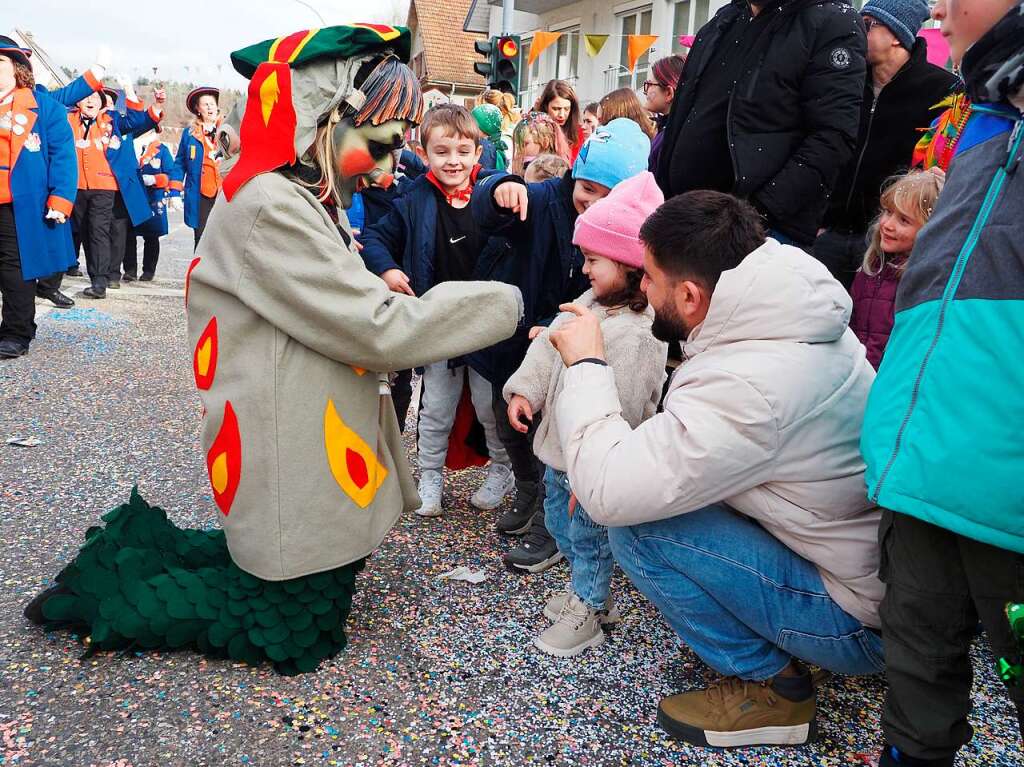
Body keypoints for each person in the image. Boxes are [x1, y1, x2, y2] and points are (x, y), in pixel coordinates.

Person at [25, 25, 523, 674]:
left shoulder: (297, 189)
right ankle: (104, 593)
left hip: (300, 430)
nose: (387, 166)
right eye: (379, 145)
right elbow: (376, 325)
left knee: (291, 578)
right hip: (287, 442)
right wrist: (512, 304)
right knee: (287, 629)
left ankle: (207, 562)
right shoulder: (271, 204)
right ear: (325, 121)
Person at [547, 191, 885, 747]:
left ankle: (774, 691)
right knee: (642, 496)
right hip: (873, 573)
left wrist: (587, 362)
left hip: (857, 622)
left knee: (635, 526)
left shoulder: (747, 385)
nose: (644, 290)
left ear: (689, 294)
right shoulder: (787, 311)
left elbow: (608, 492)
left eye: (649, 279)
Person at [860, 0, 1024, 763]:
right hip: (926, 460)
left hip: (1007, 487)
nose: (939, 8)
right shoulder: (988, 120)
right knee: (916, 667)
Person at [471, 118, 650, 572]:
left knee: (557, 435)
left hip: (571, 347)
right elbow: (489, 211)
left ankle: (550, 526)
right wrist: (500, 188)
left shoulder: (631, 236)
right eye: (586, 187)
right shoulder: (547, 199)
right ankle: (528, 490)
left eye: (606, 195)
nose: (591, 201)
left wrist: (556, 327)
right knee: (506, 416)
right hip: (516, 335)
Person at [504, 171, 667, 656]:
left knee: (591, 537)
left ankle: (590, 606)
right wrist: (525, 392)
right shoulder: (587, 304)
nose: (584, 268)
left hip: (593, 463)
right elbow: (547, 351)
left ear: (630, 264)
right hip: (559, 453)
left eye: (594, 259)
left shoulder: (638, 334)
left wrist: (611, 462)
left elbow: (634, 403)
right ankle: (585, 587)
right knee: (560, 525)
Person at [359, 103, 517, 518]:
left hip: (485, 324)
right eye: (442, 151)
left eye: (463, 151)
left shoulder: (491, 190)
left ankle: (503, 470)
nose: (454, 160)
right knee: (435, 409)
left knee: (488, 405)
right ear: (424, 152)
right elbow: (376, 238)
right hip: (439, 323)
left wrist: (513, 184)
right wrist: (389, 270)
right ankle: (429, 477)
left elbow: (515, 192)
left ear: (477, 154)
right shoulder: (412, 199)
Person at [654, 0, 867, 247]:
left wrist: (755, 214)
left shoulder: (831, 21)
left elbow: (833, 136)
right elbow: (684, 112)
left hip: (757, 232)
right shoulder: (724, 20)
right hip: (688, 217)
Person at [815, 0, 958, 288]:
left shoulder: (943, 90)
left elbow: (939, 168)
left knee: (873, 327)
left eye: (867, 25)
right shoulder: (845, 82)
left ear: (896, 35)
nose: (855, 31)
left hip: (890, 243)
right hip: (828, 234)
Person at [0, 39, 77, 359]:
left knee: (15, 269)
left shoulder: (45, 108)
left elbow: (63, 157)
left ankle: (17, 332)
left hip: (19, 203)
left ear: (17, 69)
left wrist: (60, 200)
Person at [66, 86, 161, 298]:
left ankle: (100, 282)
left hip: (105, 186)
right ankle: (95, 276)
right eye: (85, 98)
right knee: (85, 232)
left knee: (98, 230)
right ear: (77, 102)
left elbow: (138, 119)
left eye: (94, 98)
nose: (90, 101)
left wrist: (130, 93)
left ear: (102, 103)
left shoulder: (113, 120)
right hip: (77, 185)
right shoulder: (68, 119)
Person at [849, 169, 942, 370]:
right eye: (888, 212)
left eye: (904, 220)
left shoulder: (925, 283)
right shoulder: (870, 270)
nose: (887, 224)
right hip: (856, 374)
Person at [123, 136, 182, 281]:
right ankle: (130, 269)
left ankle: (149, 270)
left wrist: (155, 179)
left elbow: (171, 173)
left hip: (153, 197)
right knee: (128, 234)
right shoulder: (128, 145)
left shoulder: (162, 150)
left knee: (151, 235)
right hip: (132, 196)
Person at [174, 86, 222, 248]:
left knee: (225, 240)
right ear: (198, 109)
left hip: (225, 194)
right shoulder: (189, 134)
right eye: (205, 104)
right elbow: (180, 163)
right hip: (201, 194)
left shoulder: (229, 129)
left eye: (212, 104)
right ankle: (199, 273)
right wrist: (174, 191)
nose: (210, 107)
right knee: (201, 238)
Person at [643, 55, 686, 172]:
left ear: (668, 93)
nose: (646, 90)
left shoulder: (670, 137)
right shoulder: (670, 129)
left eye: (650, 84)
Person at [535, 80, 583, 164]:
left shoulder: (579, 132)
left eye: (566, 109)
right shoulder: (534, 129)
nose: (561, 114)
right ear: (546, 106)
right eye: (556, 109)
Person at [508, 111, 570, 176]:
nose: (520, 148)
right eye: (517, 143)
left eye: (525, 144)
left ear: (545, 142)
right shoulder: (560, 165)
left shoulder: (540, 169)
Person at [472, 103, 508, 170]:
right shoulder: (496, 144)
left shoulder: (484, 148)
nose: (470, 128)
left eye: (473, 125)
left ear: (485, 128)